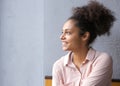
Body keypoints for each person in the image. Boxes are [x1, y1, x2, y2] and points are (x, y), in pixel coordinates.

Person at [52, 1, 116, 86]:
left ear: (85, 36)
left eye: (68, 33)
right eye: (62, 32)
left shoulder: (102, 60)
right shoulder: (59, 66)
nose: (61, 37)